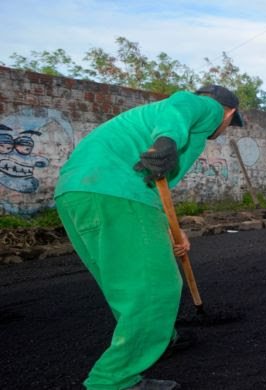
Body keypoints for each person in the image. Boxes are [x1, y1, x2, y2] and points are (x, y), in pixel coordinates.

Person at [54, 84, 243, 390]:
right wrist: (167, 141)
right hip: (116, 192)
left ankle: (161, 337)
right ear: (229, 113)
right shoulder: (204, 109)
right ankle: (113, 381)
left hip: (77, 192)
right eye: (229, 123)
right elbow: (182, 104)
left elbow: (155, 188)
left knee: (125, 282)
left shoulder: (143, 121)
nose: (224, 128)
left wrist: (171, 229)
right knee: (157, 287)